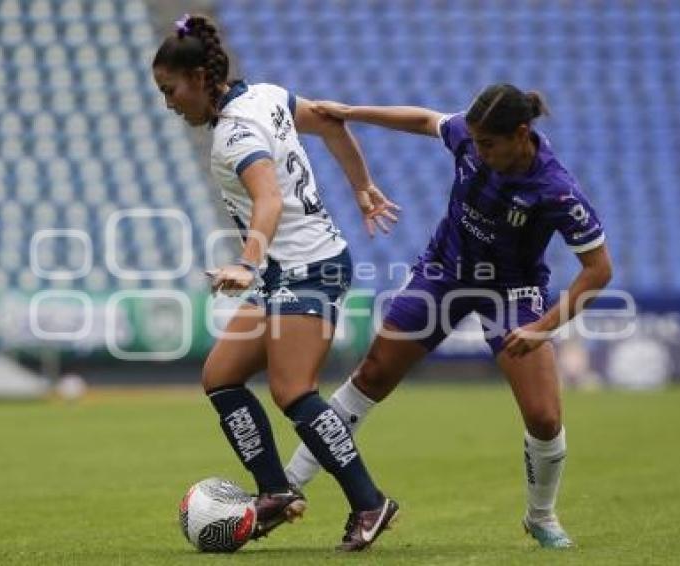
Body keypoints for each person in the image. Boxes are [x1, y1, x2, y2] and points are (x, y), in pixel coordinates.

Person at [284, 84, 614, 549]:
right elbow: (425, 120)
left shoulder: (555, 190)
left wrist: (542, 328)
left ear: (522, 134)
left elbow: (598, 270)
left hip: (512, 292)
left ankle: (541, 516)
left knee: (543, 417)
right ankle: (288, 484)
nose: (477, 150)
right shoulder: (469, 134)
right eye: (474, 141)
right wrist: (352, 112)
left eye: (488, 144)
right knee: (372, 376)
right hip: (444, 273)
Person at [151, 15, 401, 551]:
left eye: (170, 90)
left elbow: (267, 198)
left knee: (293, 392)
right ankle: (276, 493)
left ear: (198, 77)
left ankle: (369, 501)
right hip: (286, 269)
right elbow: (332, 121)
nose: (169, 103)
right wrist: (362, 187)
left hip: (308, 267)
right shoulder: (266, 95)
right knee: (220, 376)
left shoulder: (233, 134)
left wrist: (246, 260)